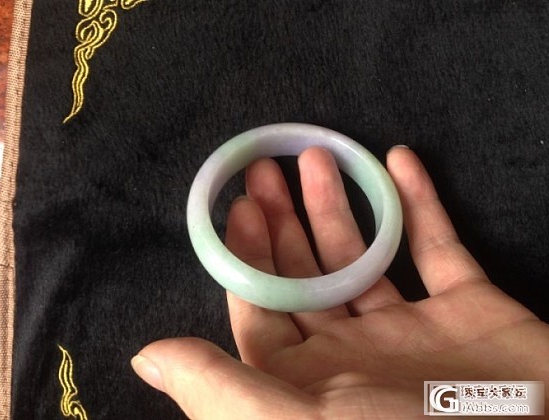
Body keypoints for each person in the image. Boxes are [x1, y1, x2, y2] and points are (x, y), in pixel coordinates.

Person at [130, 146, 549, 418]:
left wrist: (529, 396)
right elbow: (516, 400)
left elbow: (509, 401)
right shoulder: (526, 398)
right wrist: (532, 395)